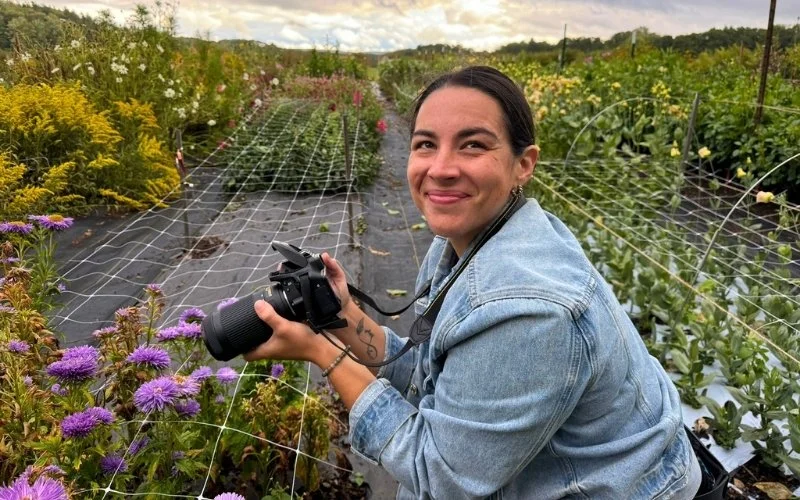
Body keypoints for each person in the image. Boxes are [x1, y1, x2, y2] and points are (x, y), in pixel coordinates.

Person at [243, 65, 702, 499]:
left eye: (473, 145)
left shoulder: (528, 311)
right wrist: (342, 317)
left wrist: (320, 351)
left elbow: (441, 477)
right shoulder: (469, 241)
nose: (440, 168)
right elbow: (427, 372)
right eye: (425, 144)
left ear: (524, 164)